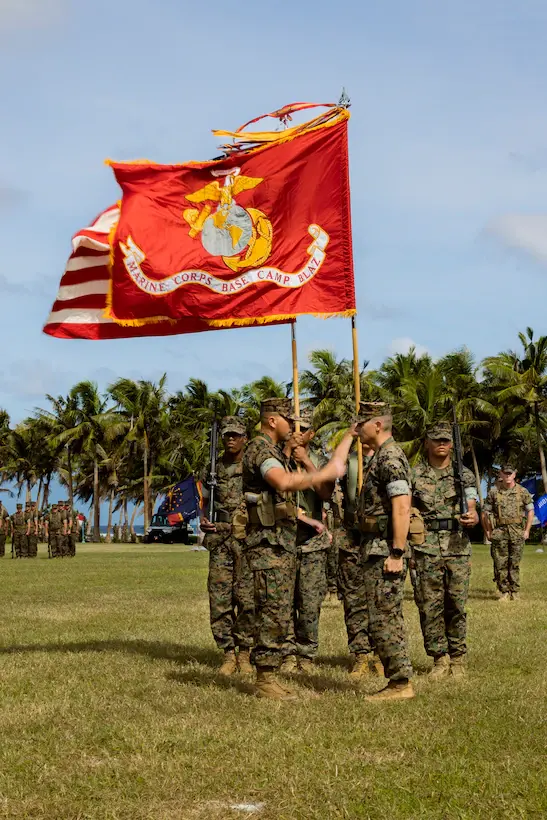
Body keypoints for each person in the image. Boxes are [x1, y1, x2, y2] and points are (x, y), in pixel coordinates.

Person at [242, 398, 344, 700]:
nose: (293, 426)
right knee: (272, 610)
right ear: (273, 421)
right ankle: (265, 677)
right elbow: (281, 481)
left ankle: (269, 675)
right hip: (268, 544)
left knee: (280, 609)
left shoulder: (272, 450)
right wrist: (321, 473)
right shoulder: (261, 449)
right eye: (289, 419)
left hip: (278, 544)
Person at [340, 401, 415, 701]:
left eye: (363, 423)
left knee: (385, 617)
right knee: (381, 614)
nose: (357, 428)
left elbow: (402, 507)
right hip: (374, 547)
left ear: (379, 425)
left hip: (385, 549)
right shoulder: (381, 456)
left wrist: (396, 553)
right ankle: (397, 679)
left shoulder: (391, 458)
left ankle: (400, 682)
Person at [410, 422, 479, 680]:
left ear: (452, 444)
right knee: (429, 605)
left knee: (457, 604)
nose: (442, 444)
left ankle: (458, 658)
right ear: (427, 442)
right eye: (436, 439)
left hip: (457, 546)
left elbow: (471, 504)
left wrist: (472, 516)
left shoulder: (464, 475)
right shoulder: (414, 475)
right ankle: (439, 658)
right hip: (425, 546)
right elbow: (405, 508)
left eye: (446, 440)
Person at [200, 415, 255, 676]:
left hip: (246, 538)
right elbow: (205, 501)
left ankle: (245, 652)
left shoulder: (253, 466)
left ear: (245, 438)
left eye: (235, 435)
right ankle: (228, 654)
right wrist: (202, 519)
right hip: (220, 537)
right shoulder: (213, 469)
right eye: (226, 435)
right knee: (219, 598)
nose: (230, 439)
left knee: (246, 598)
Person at [281, 408, 333, 673]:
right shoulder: (278, 458)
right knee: (284, 601)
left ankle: (307, 655)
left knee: (310, 603)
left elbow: (326, 492)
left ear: (312, 433)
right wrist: (290, 455)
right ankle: (287, 653)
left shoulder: (320, 459)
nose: (296, 434)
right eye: (292, 428)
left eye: (302, 429)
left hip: (312, 543)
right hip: (284, 539)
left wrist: (308, 463)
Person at [336, 442, 383, 680]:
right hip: (351, 537)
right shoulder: (349, 461)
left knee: (380, 600)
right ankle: (361, 654)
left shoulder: (389, 460)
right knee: (354, 600)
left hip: (377, 538)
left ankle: (380, 654)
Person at [482, 465, 534, 601]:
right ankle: (504, 591)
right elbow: (484, 513)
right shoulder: (494, 492)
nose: (508, 476)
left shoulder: (523, 492)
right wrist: (488, 530)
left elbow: (531, 511)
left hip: (517, 532)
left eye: (510, 474)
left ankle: (515, 591)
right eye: (505, 473)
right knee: (500, 563)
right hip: (500, 532)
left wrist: (527, 530)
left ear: (514, 475)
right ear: (501, 474)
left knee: (515, 563)